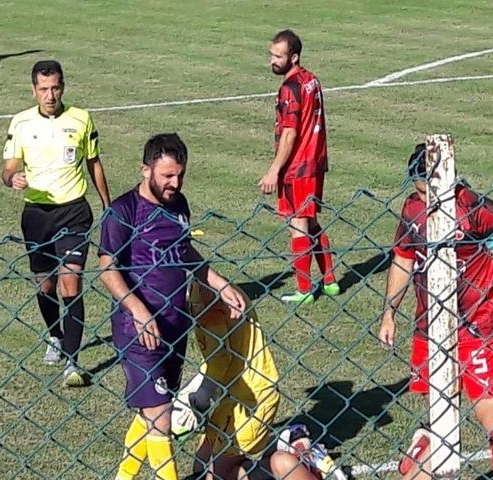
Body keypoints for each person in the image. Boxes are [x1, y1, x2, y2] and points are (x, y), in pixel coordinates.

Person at [378, 143, 493, 480]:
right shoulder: (413, 210)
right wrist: (389, 312)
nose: (426, 199)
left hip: (476, 332)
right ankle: (424, 448)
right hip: (428, 332)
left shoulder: (478, 210)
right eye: (419, 191)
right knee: (440, 422)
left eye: (430, 191)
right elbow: (403, 259)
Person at [99, 133, 246, 480]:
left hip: (174, 327)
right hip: (137, 330)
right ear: (145, 169)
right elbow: (107, 268)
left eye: (180, 175)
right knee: (161, 414)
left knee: (149, 413)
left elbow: (186, 253)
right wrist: (138, 310)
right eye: (166, 176)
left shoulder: (179, 205)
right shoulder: (123, 211)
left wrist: (220, 283)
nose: (174, 183)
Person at [2, 60, 111, 388]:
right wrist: (12, 178)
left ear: (63, 86)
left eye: (56, 88)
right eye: (44, 89)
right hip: (36, 215)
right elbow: (7, 167)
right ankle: (55, 335)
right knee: (45, 285)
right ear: (33, 90)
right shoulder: (21, 123)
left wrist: (108, 205)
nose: (50, 95)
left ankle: (73, 363)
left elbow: (94, 163)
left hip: (74, 212)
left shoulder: (81, 119)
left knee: (71, 282)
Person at [178, 282, 341, 480]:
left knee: (214, 477)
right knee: (201, 467)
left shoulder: (203, 293)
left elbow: (220, 359)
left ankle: (301, 460)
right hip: (232, 395)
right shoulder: (201, 285)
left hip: (249, 399)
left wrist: (199, 400)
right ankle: (288, 447)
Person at [258, 29, 339, 305]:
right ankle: (329, 281)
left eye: (278, 56)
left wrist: (274, 170)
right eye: (271, 54)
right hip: (315, 163)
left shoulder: (289, 89)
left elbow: (290, 133)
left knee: (298, 224)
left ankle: (304, 290)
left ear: (293, 57)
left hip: (297, 167)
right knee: (312, 220)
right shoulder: (311, 81)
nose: (272, 61)